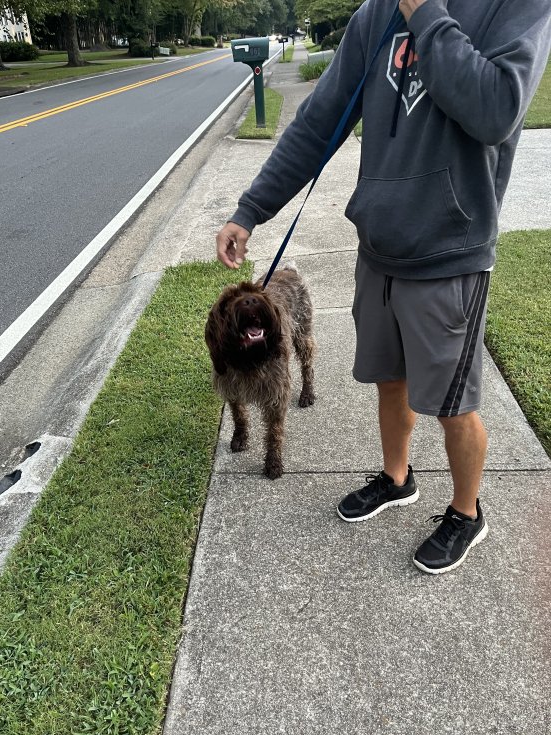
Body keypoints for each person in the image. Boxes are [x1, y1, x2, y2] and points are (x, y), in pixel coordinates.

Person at [216, 0, 551, 574]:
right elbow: (319, 123)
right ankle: (398, 478)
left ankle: (466, 513)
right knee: (387, 379)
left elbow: (496, 109)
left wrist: (425, 13)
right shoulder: (374, 16)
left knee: (452, 403)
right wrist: (251, 209)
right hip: (378, 247)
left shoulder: (515, 6)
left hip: (451, 250)